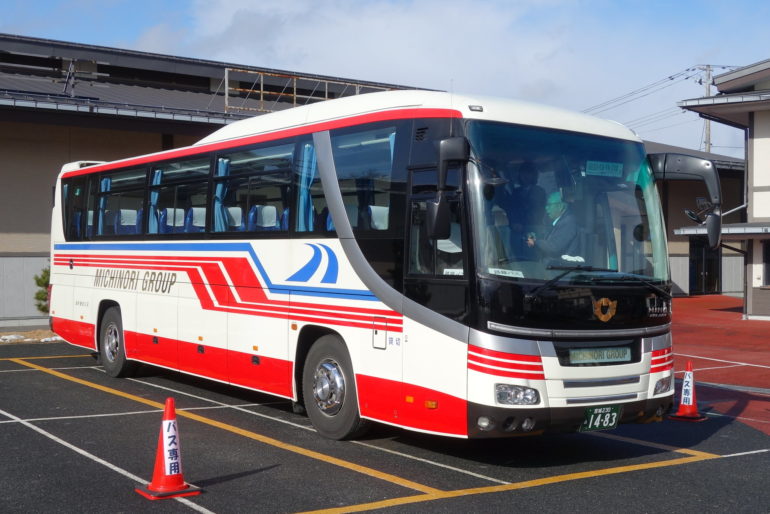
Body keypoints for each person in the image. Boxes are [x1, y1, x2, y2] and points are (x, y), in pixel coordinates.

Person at [526, 190, 579, 260]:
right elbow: (550, 240)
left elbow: (554, 248)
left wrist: (535, 242)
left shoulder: (569, 222)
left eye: (549, 205)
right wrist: (536, 238)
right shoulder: (559, 221)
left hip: (559, 266)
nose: (546, 208)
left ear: (560, 206)